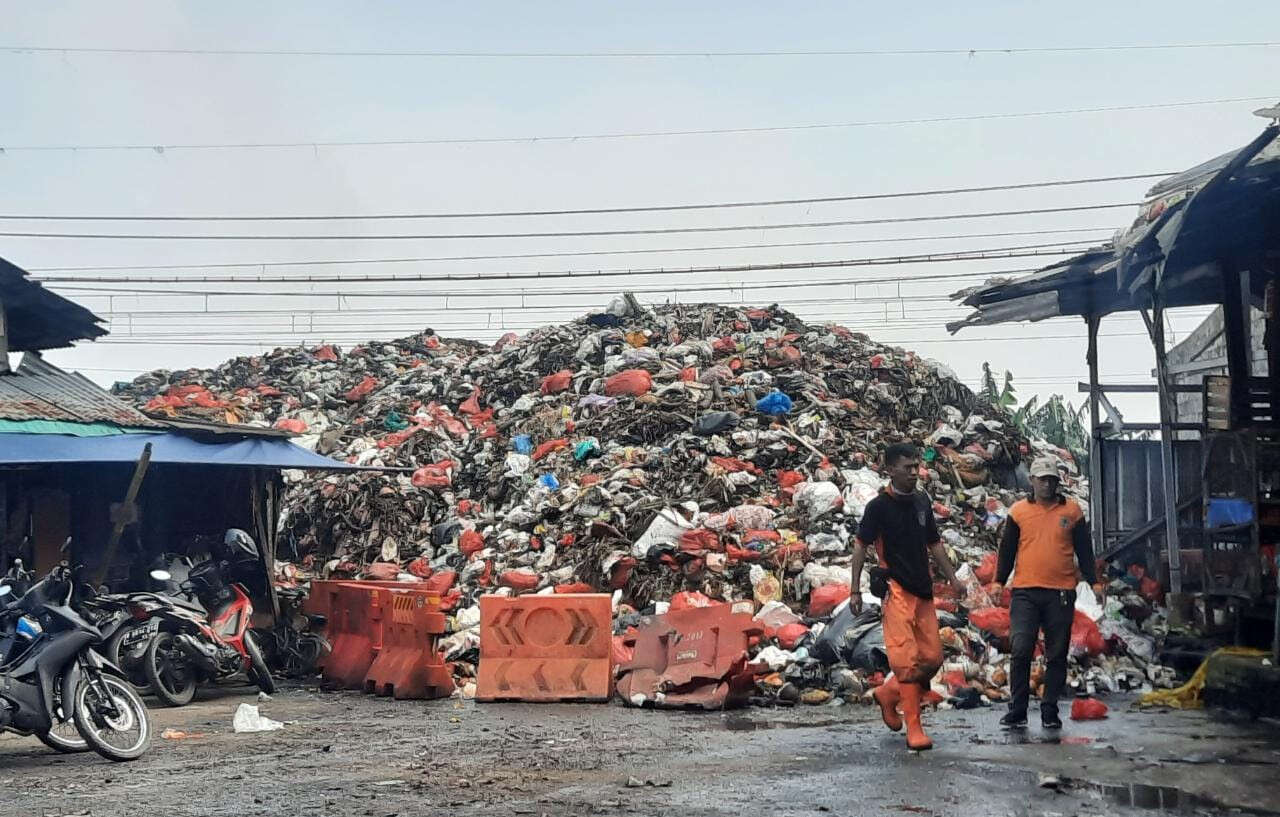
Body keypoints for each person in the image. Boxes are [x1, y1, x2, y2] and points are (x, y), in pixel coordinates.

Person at [850, 442, 965, 751]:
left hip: (923, 589)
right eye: (908, 468)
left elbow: (934, 542)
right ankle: (914, 729)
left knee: (932, 658)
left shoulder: (921, 502)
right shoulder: (878, 507)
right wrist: (855, 590)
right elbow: (861, 545)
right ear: (890, 470)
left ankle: (888, 694)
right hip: (895, 589)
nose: (915, 473)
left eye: (916, 467)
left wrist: (953, 578)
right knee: (907, 662)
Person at [993, 456, 1102, 730]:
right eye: (1042, 479)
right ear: (1032, 481)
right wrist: (997, 581)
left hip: (1061, 593)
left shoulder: (1073, 512)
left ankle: (1049, 710)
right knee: (1020, 649)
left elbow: (1085, 552)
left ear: (1058, 481)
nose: (1047, 484)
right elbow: (1007, 551)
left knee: (1056, 654)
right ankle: (1017, 709)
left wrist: (1095, 582)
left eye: (1051, 479)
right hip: (1025, 592)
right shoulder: (1018, 512)